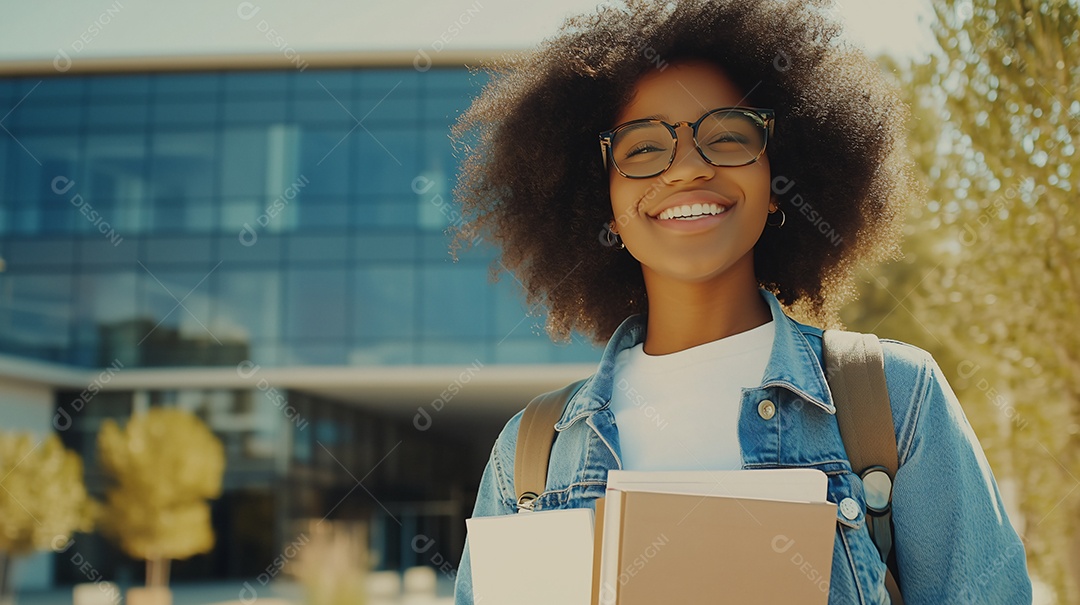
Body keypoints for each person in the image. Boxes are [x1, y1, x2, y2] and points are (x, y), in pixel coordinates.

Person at [448, 1, 1032, 603]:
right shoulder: (529, 456)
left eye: (727, 137)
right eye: (643, 148)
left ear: (780, 180)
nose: (686, 169)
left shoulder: (892, 400)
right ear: (604, 207)